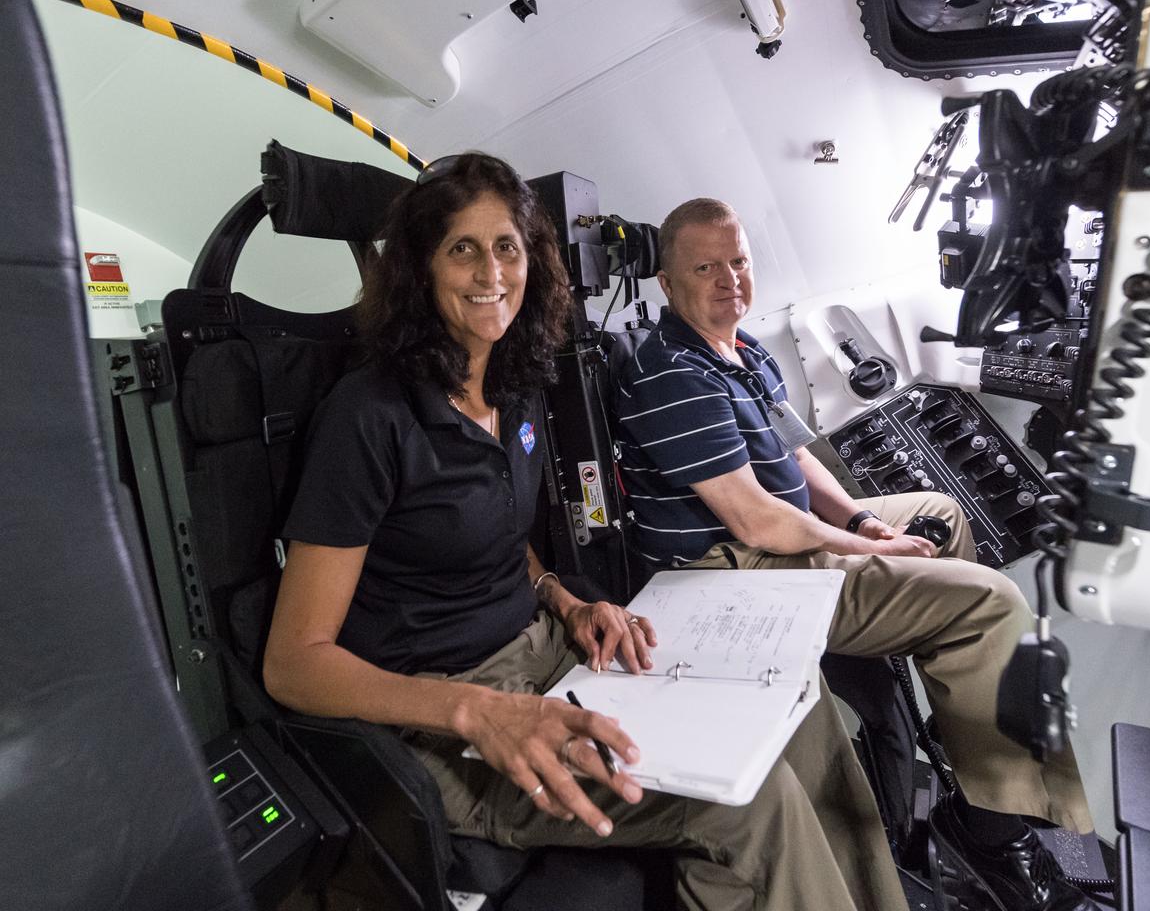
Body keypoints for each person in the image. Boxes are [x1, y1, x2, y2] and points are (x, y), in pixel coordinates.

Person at [263, 154, 908, 911]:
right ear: (419, 269)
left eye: (505, 247)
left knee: (803, 707)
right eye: (461, 248)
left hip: (551, 654)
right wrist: (476, 710)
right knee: (748, 802)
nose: (489, 272)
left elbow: (501, 538)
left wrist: (565, 601)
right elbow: (294, 665)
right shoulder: (368, 417)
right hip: (444, 713)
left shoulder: (514, 388)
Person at [614, 197, 1102, 911]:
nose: (730, 280)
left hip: (780, 537)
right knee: (989, 601)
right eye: (706, 267)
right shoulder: (670, 376)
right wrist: (856, 540)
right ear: (667, 281)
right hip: (732, 570)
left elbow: (794, 455)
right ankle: (993, 831)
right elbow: (758, 521)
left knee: (938, 516)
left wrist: (862, 520)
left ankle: (967, 730)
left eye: (740, 261)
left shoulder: (739, 348)